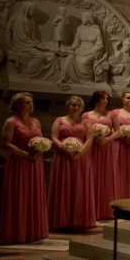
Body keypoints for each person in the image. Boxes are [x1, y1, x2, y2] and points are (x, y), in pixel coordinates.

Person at [0, 92, 49, 244]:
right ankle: (17, 232)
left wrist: (41, 150)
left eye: (31, 102)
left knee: (34, 194)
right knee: (19, 195)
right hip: (19, 163)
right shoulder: (11, 121)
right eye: (27, 102)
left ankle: (33, 230)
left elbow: (40, 139)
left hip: (35, 163)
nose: (31, 104)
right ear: (18, 105)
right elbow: (6, 143)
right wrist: (23, 153)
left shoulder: (36, 121)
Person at [48, 95, 95, 231]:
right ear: (68, 106)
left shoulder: (85, 122)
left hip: (81, 158)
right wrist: (64, 147)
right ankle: (60, 220)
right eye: (73, 105)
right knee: (63, 184)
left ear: (82, 108)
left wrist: (80, 153)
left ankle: (79, 219)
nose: (76, 108)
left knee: (79, 185)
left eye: (78, 106)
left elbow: (89, 139)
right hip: (63, 157)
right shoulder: (59, 120)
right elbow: (54, 137)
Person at [84, 90, 119, 220]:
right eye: (102, 98)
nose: (105, 101)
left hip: (107, 148)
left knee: (106, 176)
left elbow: (117, 132)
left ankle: (105, 209)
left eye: (106, 99)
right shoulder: (86, 115)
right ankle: (90, 209)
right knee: (91, 175)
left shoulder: (112, 114)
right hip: (91, 148)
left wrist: (106, 139)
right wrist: (92, 138)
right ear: (95, 100)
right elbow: (84, 131)